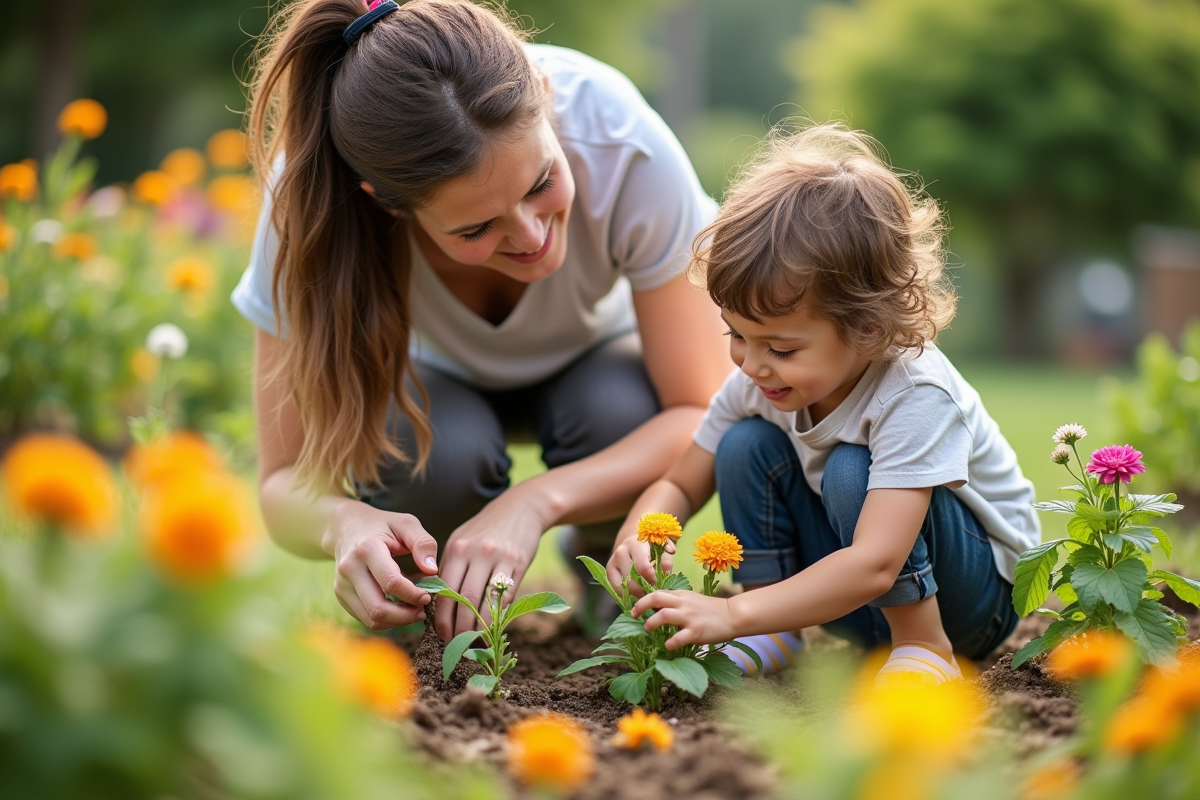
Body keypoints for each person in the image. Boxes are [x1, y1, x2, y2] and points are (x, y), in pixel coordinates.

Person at [233, 0, 729, 643]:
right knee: (430, 456)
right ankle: (427, 607)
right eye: (475, 227)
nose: (530, 237)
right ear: (384, 204)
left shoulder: (622, 141)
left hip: (597, 373)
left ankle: (609, 590)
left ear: (547, 99)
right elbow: (282, 485)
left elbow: (701, 414)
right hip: (435, 395)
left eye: (541, 181)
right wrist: (343, 521)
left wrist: (532, 503)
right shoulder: (305, 211)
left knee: (617, 409)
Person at [607, 122, 1040, 684]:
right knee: (742, 444)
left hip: (970, 605)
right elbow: (683, 483)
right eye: (735, 335)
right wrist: (640, 533)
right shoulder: (761, 383)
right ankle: (772, 627)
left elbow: (878, 561)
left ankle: (922, 647)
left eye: (781, 348)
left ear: (866, 329)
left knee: (848, 469)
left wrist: (729, 612)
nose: (752, 364)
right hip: (854, 597)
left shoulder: (914, 391)